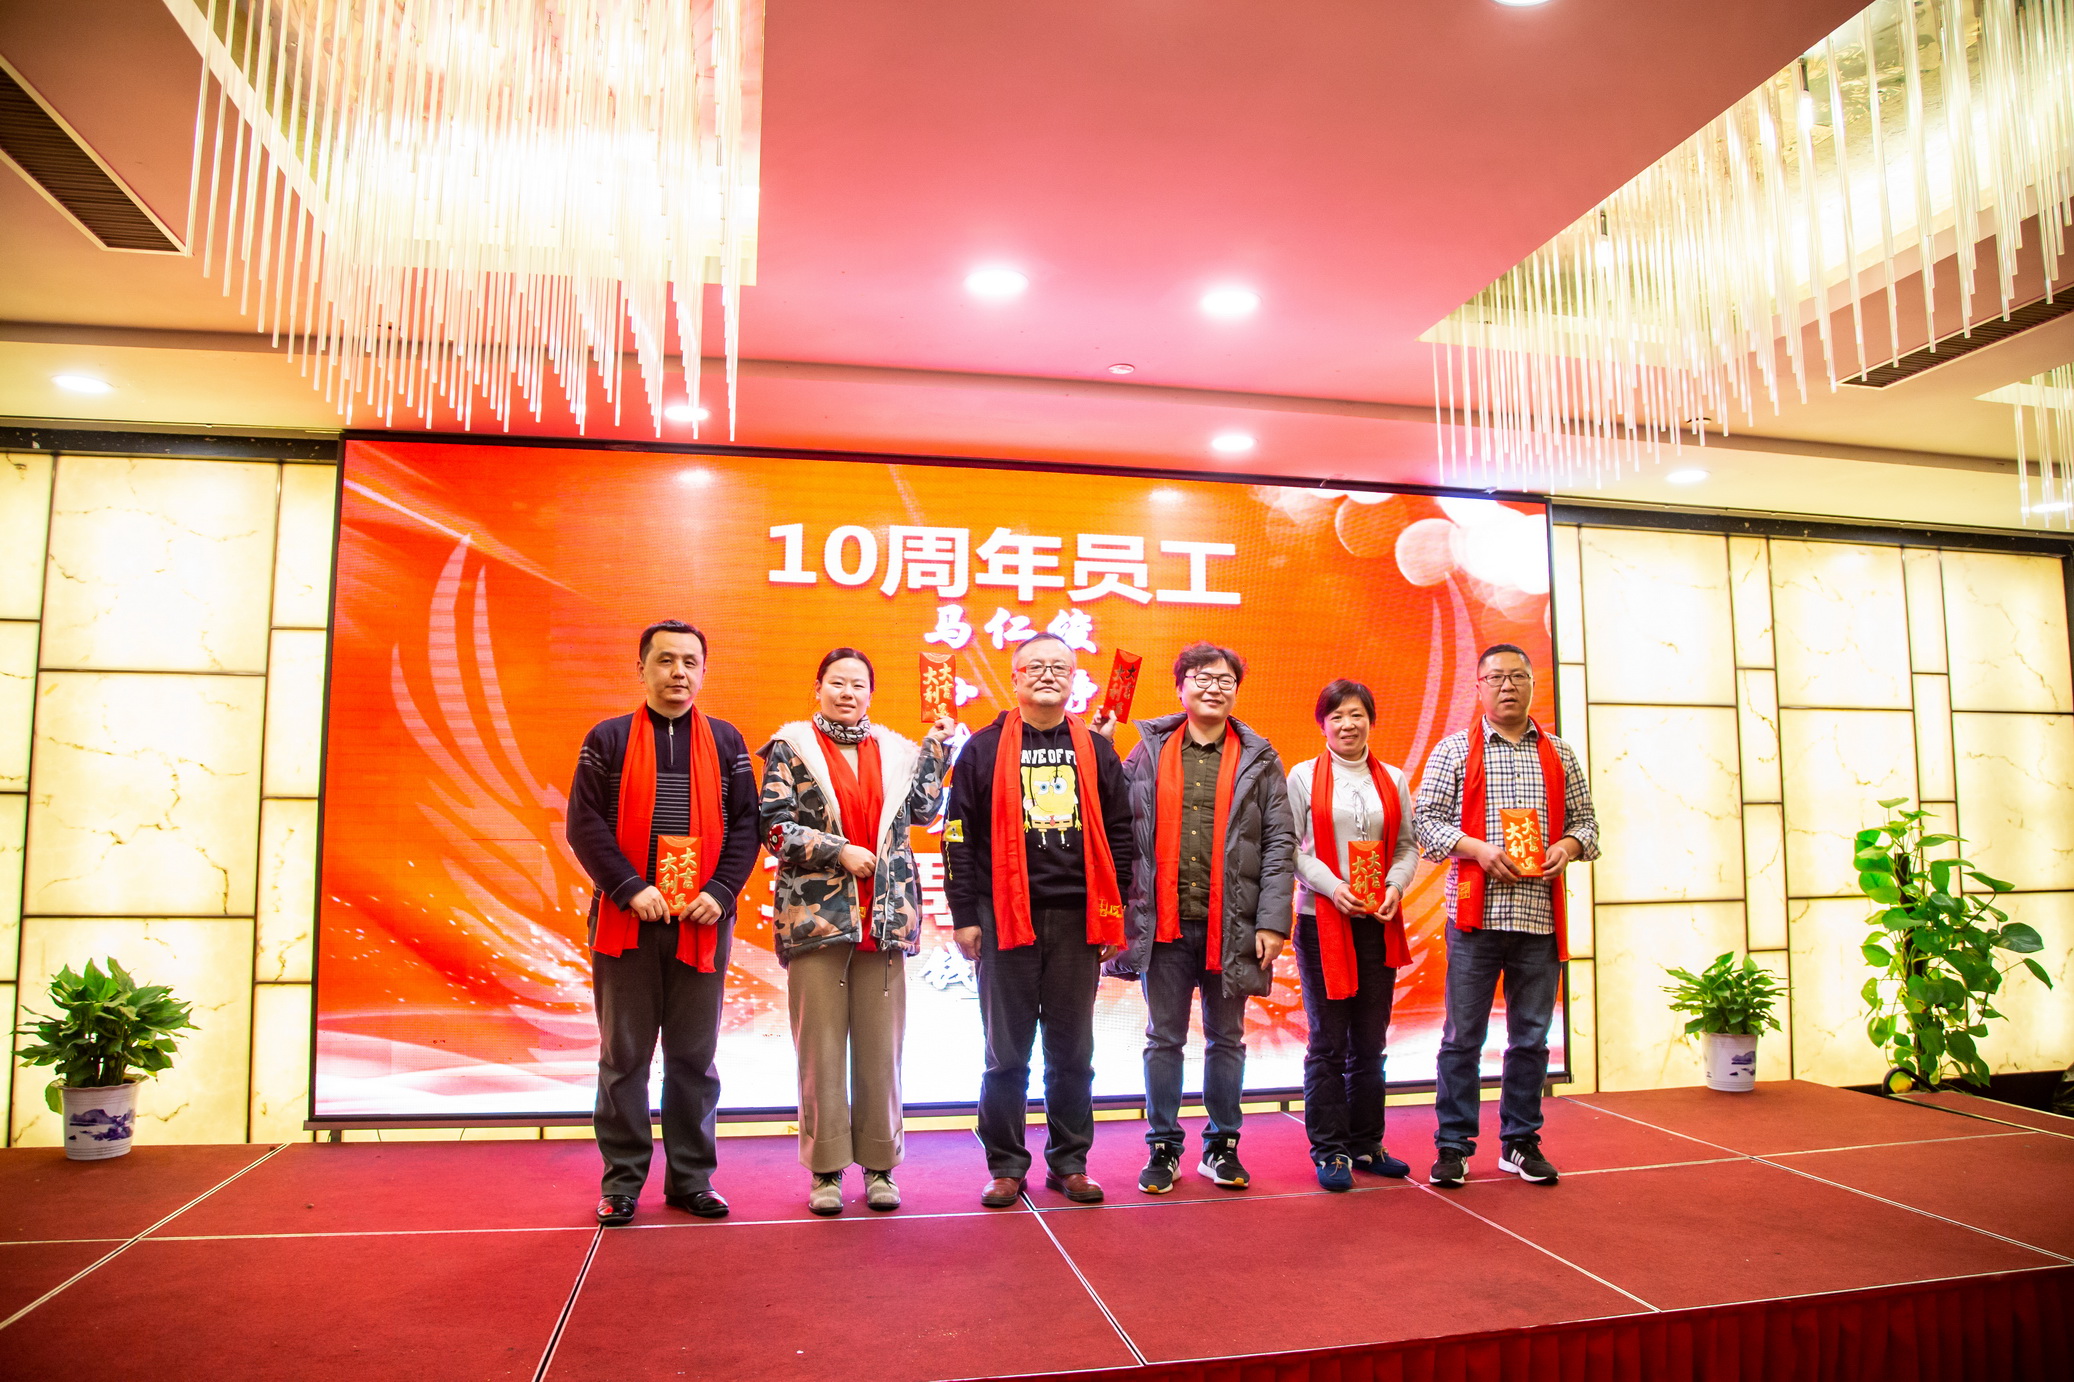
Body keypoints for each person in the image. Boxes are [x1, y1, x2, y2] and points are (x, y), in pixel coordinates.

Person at [566, 620, 760, 1225]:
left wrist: (720, 892)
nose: (679, 672)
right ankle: (622, 1182)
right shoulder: (608, 739)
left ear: (703, 671)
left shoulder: (726, 742)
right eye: (666, 660)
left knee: (694, 1059)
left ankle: (692, 1180)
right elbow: (583, 824)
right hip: (626, 921)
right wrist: (630, 888)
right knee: (623, 1058)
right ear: (642, 668)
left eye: (690, 662)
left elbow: (747, 826)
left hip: (701, 922)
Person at [759, 648, 953, 1215]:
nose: (847, 693)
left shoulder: (896, 752)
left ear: (871, 694)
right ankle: (825, 1171)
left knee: (881, 1053)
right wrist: (837, 850)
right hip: (817, 921)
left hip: (884, 919)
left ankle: (880, 1166)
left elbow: (925, 812)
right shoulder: (791, 749)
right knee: (820, 1053)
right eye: (837, 683)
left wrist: (937, 748)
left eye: (858, 685)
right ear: (817, 687)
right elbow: (773, 828)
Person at [944, 632, 1135, 1207]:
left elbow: (1121, 834)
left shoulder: (1096, 750)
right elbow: (958, 836)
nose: (1048, 675)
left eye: (1060, 667)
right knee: (1005, 1056)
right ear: (1016, 677)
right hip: (1004, 919)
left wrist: (1115, 912)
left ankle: (1070, 1163)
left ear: (1073, 680)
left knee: (1073, 1054)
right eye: (1036, 666)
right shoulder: (981, 749)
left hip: (1079, 921)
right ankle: (1005, 1166)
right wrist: (964, 915)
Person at [1110, 642, 1297, 1194]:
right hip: (1163, 924)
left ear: (1236, 691)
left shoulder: (1260, 758)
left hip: (1233, 925)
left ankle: (1222, 1146)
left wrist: (1272, 922)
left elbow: (1279, 843)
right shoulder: (1148, 751)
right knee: (1163, 1039)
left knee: (1227, 1040)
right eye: (1201, 677)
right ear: (1180, 688)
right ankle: (1163, 1147)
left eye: (1225, 680)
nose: (1214, 687)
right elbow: (1117, 822)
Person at [1413, 643, 1599, 1188]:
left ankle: (1520, 1141)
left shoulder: (1559, 753)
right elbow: (1425, 824)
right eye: (1495, 677)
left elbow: (1587, 823)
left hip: (1539, 920)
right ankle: (1453, 1146)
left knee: (1531, 1039)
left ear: (1533, 684)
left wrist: (1566, 846)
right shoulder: (1454, 751)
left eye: (1517, 676)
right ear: (1479, 687)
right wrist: (1477, 849)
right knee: (1461, 1039)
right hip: (1475, 919)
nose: (1507, 686)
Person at [1286, 679, 1418, 1191]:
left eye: (1357, 714)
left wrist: (1395, 886)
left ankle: (1366, 1142)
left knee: (1370, 1041)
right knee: (1327, 1041)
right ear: (1323, 723)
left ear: (1371, 720)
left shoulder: (1393, 778)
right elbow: (1291, 848)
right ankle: (1330, 1150)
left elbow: (1406, 846)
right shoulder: (1302, 776)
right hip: (1321, 920)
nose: (1347, 724)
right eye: (1337, 715)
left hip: (1376, 922)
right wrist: (1333, 887)